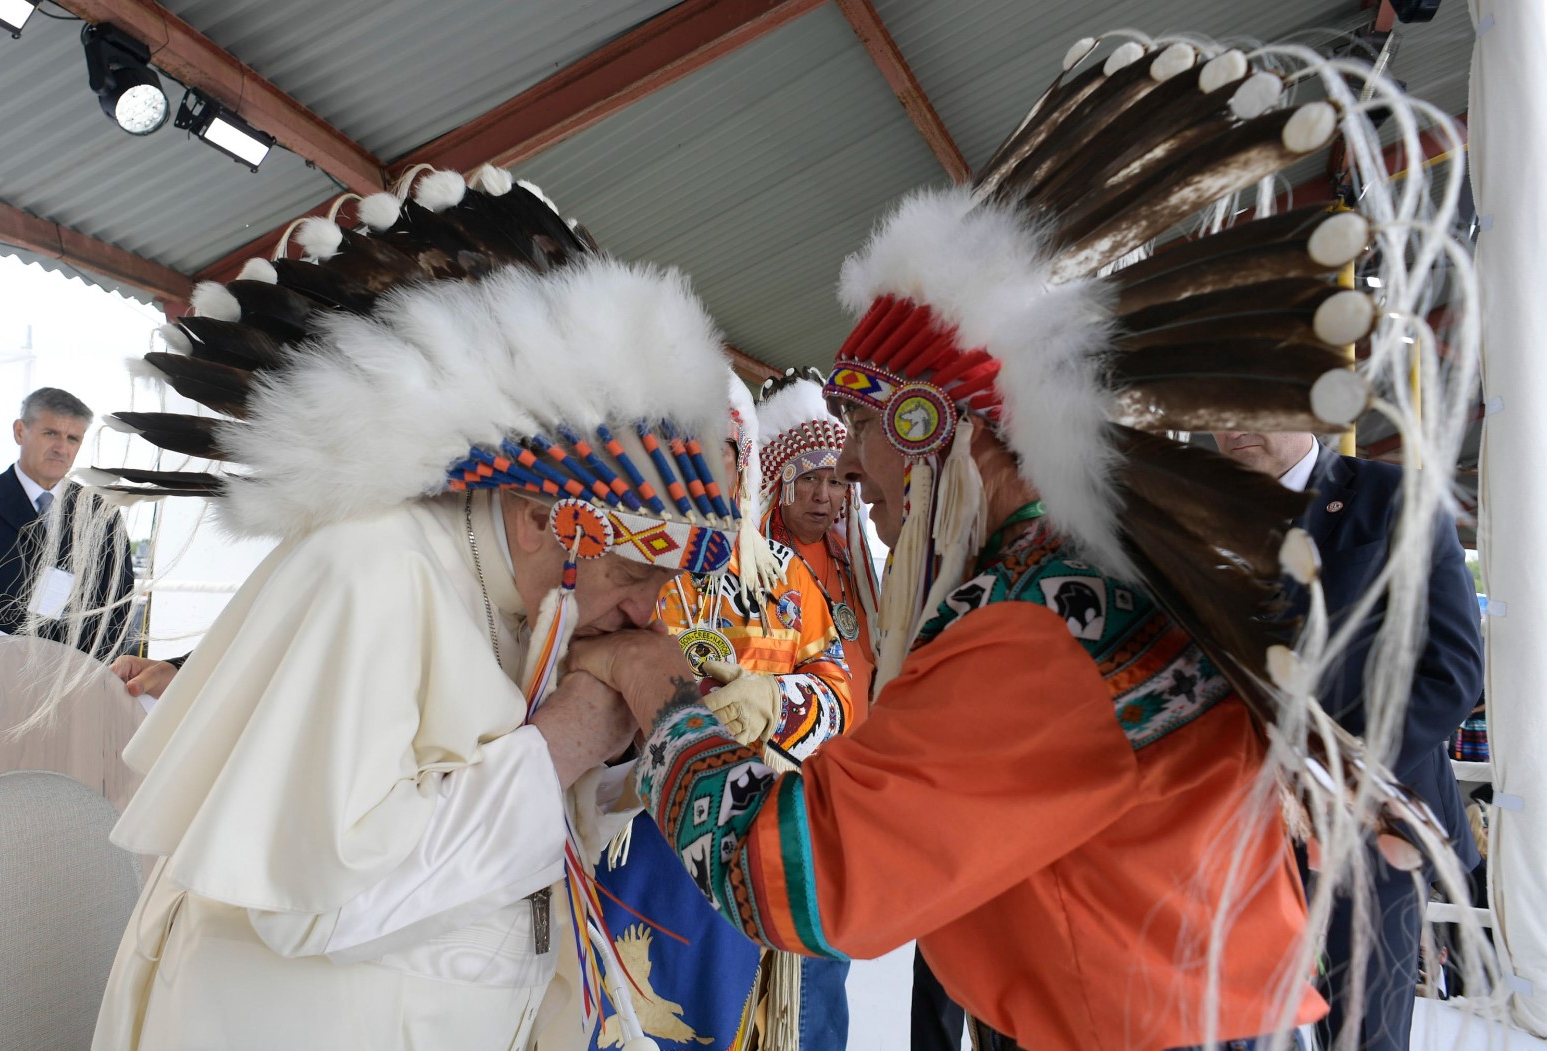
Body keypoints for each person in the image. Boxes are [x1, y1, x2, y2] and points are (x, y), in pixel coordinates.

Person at [559, 34, 1478, 1051]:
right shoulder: (1090, 575)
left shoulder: (1045, 622)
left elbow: (804, 875)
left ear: (941, 432)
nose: (859, 473)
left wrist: (662, 690)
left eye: (866, 430)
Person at [59, 166, 748, 1051]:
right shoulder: (370, 570)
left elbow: (498, 815)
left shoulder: (523, 594)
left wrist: (622, 747)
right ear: (544, 519)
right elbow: (312, 906)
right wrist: (568, 735)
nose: (650, 611)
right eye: (634, 574)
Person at [588, 377, 853, 1051]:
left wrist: (775, 704)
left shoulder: (790, 582)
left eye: (723, 448)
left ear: (746, 459)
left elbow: (840, 694)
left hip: (751, 838)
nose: (704, 464)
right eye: (686, 446)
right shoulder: (621, 560)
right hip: (632, 842)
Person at [1215, 429, 1485, 1051]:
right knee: (1233, 1025)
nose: (1232, 426)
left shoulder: (1393, 498)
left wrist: (1328, 775)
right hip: (1234, 821)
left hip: (1369, 824)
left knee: (1364, 1032)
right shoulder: (1199, 508)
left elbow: (1450, 671)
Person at [0, 387, 135, 657]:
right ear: (19, 431)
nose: (61, 448)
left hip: (70, 678)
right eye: (50, 433)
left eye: (72, 438)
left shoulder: (102, 514)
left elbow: (117, 609)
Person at [754, 367, 878, 713]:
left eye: (836, 482)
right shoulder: (758, 565)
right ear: (782, 484)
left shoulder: (852, 566)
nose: (823, 495)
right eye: (809, 478)